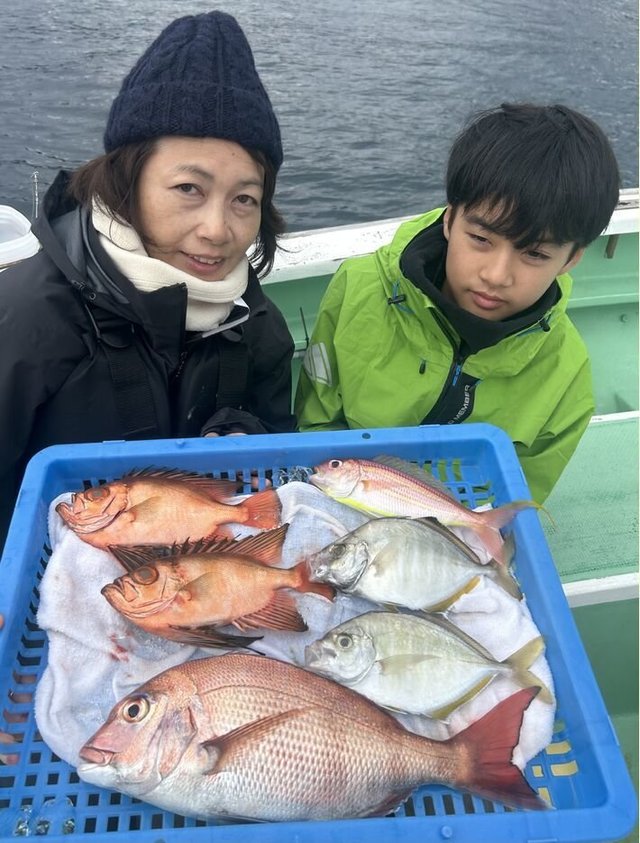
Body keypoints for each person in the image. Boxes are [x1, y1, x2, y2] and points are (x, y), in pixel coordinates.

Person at [0, 11, 296, 554]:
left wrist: (245, 433)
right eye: (188, 188)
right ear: (127, 180)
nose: (217, 230)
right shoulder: (26, 318)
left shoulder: (259, 327)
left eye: (244, 198)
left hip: (195, 572)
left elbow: (278, 453)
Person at [295, 103, 620, 504]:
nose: (496, 275)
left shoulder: (567, 373)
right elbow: (317, 424)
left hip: (464, 522)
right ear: (449, 220)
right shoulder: (356, 288)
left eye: (535, 254)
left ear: (570, 260)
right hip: (344, 498)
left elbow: (519, 499)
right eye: (481, 239)